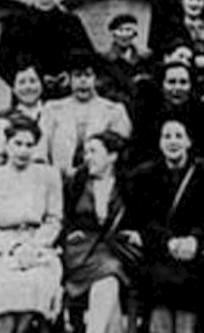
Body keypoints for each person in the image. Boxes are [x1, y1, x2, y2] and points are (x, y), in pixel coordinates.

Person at [127, 119, 204, 333]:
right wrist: (168, 242)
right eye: (167, 136)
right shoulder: (144, 175)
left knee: (193, 281)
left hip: (196, 250)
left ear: (188, 141)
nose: (173, 142)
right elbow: (144, 218)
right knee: (160, 280)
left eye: (179, 136)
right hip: (160, 248)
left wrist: (195, 240)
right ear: (159, 142)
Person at [0, 117, 64, 333]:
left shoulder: (49, 176)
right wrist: (15, 248)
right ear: (7, 145)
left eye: (29, 145)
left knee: (38, 283)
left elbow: (54, 219)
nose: (23, 150)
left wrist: (35, 246)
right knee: (5, 289)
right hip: (4, 249)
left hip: (39, 246)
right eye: (18, 144)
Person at [62, 131, 142, 333]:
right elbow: (62, 216)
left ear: (112, 156)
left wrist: (136, 233)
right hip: (81, 252)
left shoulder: (128, 184)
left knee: (107, 281)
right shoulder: (76, 182)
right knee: (108, 282)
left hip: (115, 250)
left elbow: (141, 217)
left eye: (93, 151)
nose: (87, 157)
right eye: (85, 152)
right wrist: (68, 234)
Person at [0, 0, 94, 99]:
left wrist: (72, 74)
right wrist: (26, 82)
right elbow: (3, 62)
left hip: (66, 90)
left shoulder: (70, 21)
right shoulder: (16, 23)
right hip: (30, 94)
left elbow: (87, 54)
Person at [39, 51, 132, 176]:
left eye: (88, 75)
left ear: (96, 79)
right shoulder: (52, 110)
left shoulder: (114, 111)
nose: (83, 81)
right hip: (60, 180)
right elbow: (40, 151)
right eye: (77, 76)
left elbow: (121, 154)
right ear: (69, 79)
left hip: (100, 181)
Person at [134, 62, 204, 161]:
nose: (177, 88)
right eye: (171, 82)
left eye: (183, 82)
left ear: (191, 86)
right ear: (162, 85)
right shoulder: (148, 114)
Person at [100, 13, 154, 107]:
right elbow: (105, 88)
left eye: (128, 30)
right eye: (120, 30)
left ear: (134, 34)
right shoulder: (104, 60)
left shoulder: (145, 58)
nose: (124, 35)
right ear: (113, 33)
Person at [6, 60, 47, 124]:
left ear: (42, 84)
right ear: (13, 88)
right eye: (22, 82)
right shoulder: (6, 119)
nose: (28, 87)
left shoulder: (51, 112)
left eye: (32, 81)